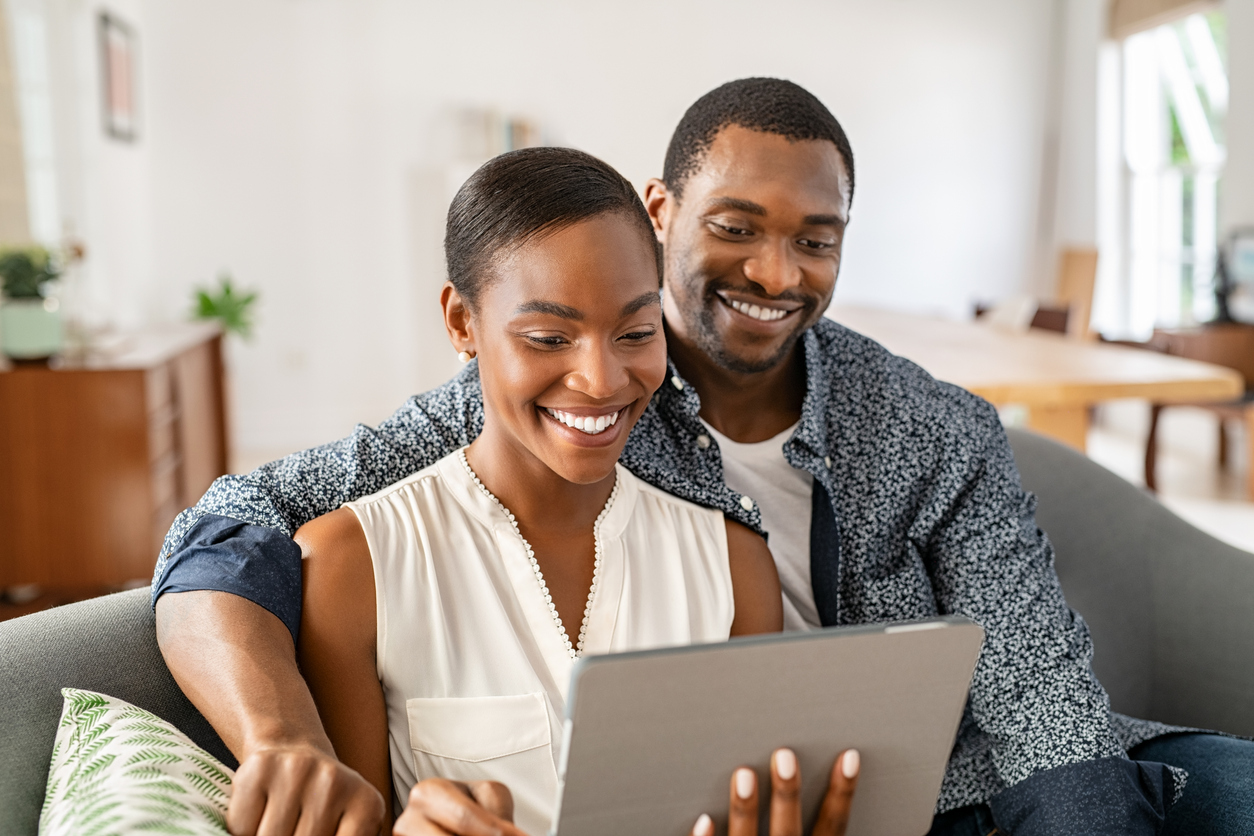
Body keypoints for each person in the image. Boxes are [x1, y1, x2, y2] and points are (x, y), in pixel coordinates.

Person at [154, 78, 1254, 836]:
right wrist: (284, 736)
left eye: (815, 238)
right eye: (737, 225)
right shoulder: (578, 392)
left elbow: (1038, 695)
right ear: (662, 211)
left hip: (969, 790)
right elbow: (229, 519)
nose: (777, 272)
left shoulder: (932, 429)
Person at [288, 145, 858, 836]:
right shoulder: (351, 567)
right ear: (463, 324)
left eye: (637, 332)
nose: (601, 378)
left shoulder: (734, 569)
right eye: (548, 336)